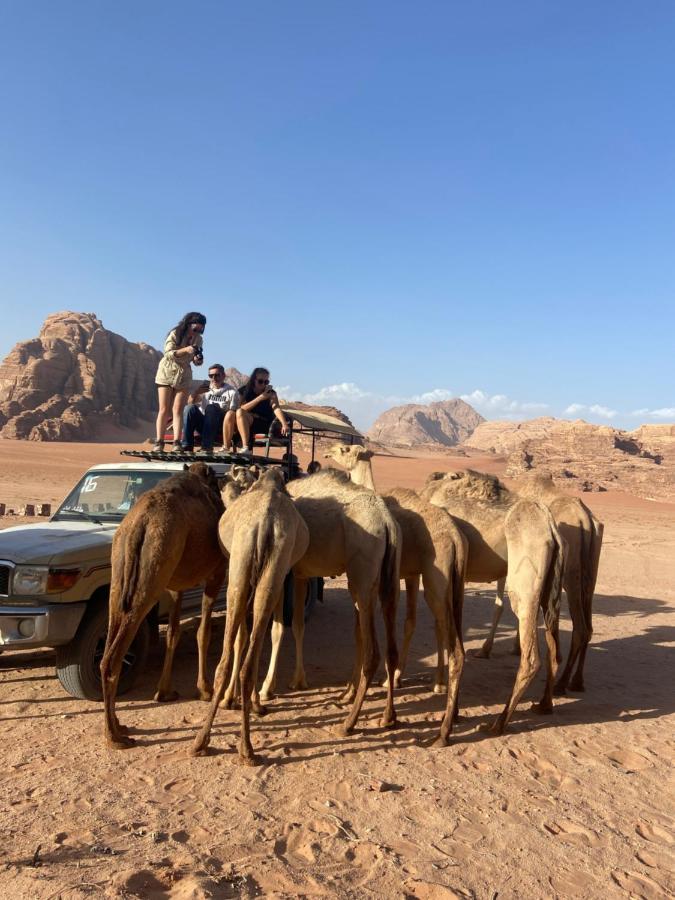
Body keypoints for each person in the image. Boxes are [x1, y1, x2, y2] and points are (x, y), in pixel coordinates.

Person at [153, 312, 206, 452]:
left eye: (201, 329)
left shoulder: (198, 340)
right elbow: (168, 353)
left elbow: (195, 359)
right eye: (196, 329)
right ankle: (159, 441)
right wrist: (186, 349)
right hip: (167, 372)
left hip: (184, 375)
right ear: (188, 324)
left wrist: (197, 360)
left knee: (178, 410)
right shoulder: (176, 333)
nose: (198, 332)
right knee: (164, 409)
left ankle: (177, 442)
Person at [182, 364, 240, 452]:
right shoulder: (206, 390)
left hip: (220, 426)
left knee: (212, 407)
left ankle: (206, 446)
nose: (214, 378)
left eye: (217, 375)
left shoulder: (231, 392)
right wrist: (196, 392)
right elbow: (189, 403)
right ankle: (187, 445)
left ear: (223, 376)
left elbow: (233, 413)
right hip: (204, 424)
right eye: (211, 376)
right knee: (189, 408)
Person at [233, 367, 289, 456]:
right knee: (239, 412)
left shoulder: (271, 393)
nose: (263, 384)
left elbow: (276, 408)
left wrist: (284, 423)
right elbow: (241, 408)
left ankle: (245, 447)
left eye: (266, 382)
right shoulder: (245, 390)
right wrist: (261, 398)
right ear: (254, 380)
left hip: (263, 422)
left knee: (241, 414)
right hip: (246, 421)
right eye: (260, 381)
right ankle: (245, 447)